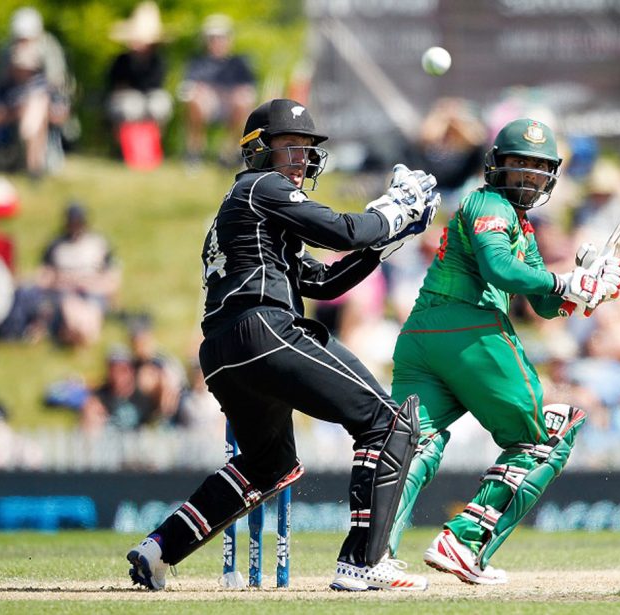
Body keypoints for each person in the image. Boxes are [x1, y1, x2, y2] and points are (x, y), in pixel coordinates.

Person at [126, 98, 442, 592]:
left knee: (267, 465)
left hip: (224, 352)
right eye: (288, 147)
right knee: (388, 423)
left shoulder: (252, 215)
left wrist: (386, 238)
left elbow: (324, 284)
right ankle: (363, 561)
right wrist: (393, 210)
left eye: (305, 149)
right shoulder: (260, 187)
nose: (299, 159)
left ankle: (160, 549)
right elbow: (345, 229)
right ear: (258, 152)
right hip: (263, 331)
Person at [385, 118, 620, 584]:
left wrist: (589, 285)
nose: (528, 177)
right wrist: (566, 281)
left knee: (413, 443)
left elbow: (542, 300)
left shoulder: (520, 224)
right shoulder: (487, 203)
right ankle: (466, 540)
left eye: (538, 168)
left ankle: (372, 557)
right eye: (518, 165)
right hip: (469, 328)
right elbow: (499, 269)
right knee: (546, 436)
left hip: (422, 335)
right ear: (496, 165)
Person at [0, 7, 73, 176]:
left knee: (37, 104)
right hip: (15, 102)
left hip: (45, 101)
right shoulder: (7, 51)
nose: (23, 41)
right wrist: (15, 69)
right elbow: (1, 87)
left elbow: (58, 84)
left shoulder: (49, 47)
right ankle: (32, 166)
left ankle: (33, 164)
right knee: (33, 107)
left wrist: (34, 66)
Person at [36, 203, 121, 347]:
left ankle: (83, 334)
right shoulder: (55, 246)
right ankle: (75, 333)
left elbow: (112, 276)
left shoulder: (99, 243)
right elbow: (44, 277)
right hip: (63, 293)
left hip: (93, 292)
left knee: (89, 311)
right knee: (70, 309)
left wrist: (98, 287)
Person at [178, 14, 256, 167]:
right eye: (213, 37)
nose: (218, 41)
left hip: (231, 106)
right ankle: (194, 152)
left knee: (242, 102)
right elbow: (186, 90)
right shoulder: (197, 63)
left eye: (222, 37)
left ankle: (230, 151)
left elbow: (249, 91)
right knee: (195, 101)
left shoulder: (238, 63)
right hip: (207, 105)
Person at [105, 2, 172, 136]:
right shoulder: (121, 60)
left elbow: (156, 85)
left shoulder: (158, 61)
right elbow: (114, 84)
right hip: (126, 100)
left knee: (160, 104)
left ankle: (153, 143)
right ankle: (125, 144)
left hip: (149, 99)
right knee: (129, 106)